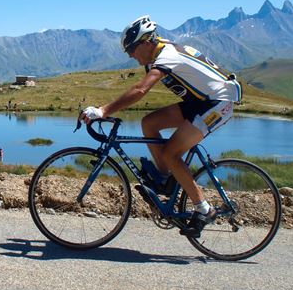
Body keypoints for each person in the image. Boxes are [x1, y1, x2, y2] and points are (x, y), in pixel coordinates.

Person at [80, 15, 242, 237]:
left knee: (171, 153)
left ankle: (204, 209)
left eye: (131, 50)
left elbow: (140, 91)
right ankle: (166, 181)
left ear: (146, 43)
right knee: (149, 123)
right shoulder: (156, 54)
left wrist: (102, 111)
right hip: (199, 101)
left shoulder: (168, 55)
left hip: (218, 103)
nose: (130, 55)